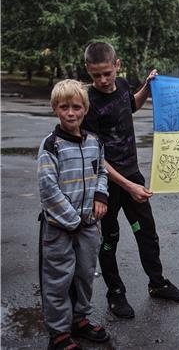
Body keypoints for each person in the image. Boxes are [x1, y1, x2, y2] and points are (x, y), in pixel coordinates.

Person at [82, 42, 179, 319]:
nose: (103, 80)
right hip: (106, 185)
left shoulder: (122, 84)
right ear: (88, 72)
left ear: (117, 65)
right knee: (110, 239)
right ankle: (115, 293)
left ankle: (158, 283)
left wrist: (147, 88)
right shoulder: (88, 103)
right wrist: (128, 186)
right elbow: (96, 156)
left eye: (107, 73)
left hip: (133, 175)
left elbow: (131, 106)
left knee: (146, 232)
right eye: (96, 76)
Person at [38, 79, 110, 349]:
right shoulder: (51, 145)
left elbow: (101, 172)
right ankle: (58, 334)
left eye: (76, 107)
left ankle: (79, 319)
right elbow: (48, 189)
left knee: (85, 274)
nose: (71, 113)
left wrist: (101, 196)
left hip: (89, 226)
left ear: (85, 109)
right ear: (55, 108)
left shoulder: (95, 142)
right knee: (58, 279)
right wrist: (72, 220)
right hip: (59, 227)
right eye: (64, 107)